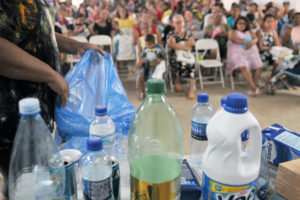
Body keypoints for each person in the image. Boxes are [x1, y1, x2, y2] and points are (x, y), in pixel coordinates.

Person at [0, 1, 103, 199]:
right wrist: (51, 75)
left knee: (15, 181)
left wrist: (77, 45)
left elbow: (39, 32)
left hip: (35, 113)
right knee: (30, 186)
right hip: (12, 117)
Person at [227, 16, 263, 96]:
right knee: (243, 67)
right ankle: (255, 89)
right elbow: (235, 40)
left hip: (250, 54)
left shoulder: (249, 31)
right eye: (240, 23)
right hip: (237, 55)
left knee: (258, 66)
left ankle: (252, 88)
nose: (242, 25)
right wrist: (247, 42)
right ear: (236, 24)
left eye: (244, 23)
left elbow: (256, 38)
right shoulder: (232, 31)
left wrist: (252, 42)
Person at [167, 14, 196, 99]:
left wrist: (179, 44)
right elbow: (172, 45)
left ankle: (191, 91)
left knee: (191, 65)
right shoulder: (171, 33)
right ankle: (178, 80)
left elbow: (192, 43)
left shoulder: (188, 33)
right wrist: (185, 46)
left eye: (181, 22)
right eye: (177, 22)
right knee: (183, 63)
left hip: (187, 55)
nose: (179, 24)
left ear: (184, 22)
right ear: (173, 24)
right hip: (174, 56)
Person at [135, 34, 165, 99]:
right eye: (147, 44)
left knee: (151, 74)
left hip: (155, 64)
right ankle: (142, 92)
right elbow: (141, 56)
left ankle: (151, 92)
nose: (149, 46)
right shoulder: (145, 48)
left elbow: (164, 56)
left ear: (154, 43)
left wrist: (159, 60)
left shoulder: (159, 47)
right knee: (140, 75)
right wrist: (140, 62)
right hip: (146, 63)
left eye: (150, 44)